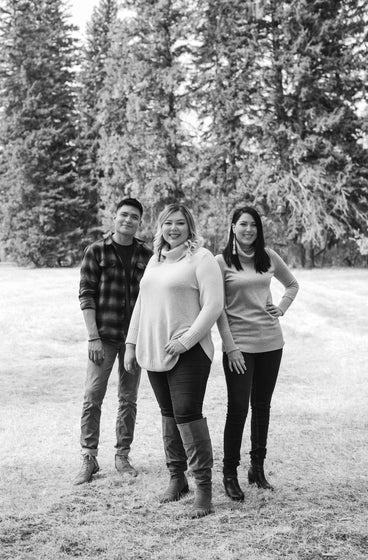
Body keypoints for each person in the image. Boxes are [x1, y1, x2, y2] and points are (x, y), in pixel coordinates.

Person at [124, 203, 224, 518]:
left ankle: (203, 489)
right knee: (168, 414)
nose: (174, 228)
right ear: (160, 227)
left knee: (187, 414)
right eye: (168, 223)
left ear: (189, 227)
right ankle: (176, 478)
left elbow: (213, 305)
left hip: (189, 351)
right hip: (154, 349)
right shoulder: (155, 260)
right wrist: (131, 344)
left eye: (180, 223)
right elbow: (141, 304)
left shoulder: (202, 258)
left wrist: (186, 340)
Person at [216, 206, 299, 501]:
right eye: (242, 224)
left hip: (271, 342)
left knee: (261, 406)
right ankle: (229, 473)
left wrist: (282, 308)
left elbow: (292, 284)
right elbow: (218, 309)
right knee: (238, 408)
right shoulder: (221, 262)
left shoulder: (268, 256)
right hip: (239, 345)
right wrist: (230, 346)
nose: (248, 229)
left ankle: (257, 469)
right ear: (233, 227)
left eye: (253, 225)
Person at [74, 198, 152, 485]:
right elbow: (86, 295)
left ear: (139, 222)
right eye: (123, 215)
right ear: (114, 217)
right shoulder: (96, 251)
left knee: (128, 399)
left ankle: (122, 455)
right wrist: (92, 336)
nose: (128, 220)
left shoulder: (148, 254)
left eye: (134, 216)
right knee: (93, 396)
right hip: (103, 337)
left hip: (134, 340)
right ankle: (88, 457)